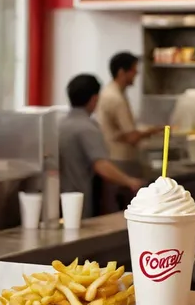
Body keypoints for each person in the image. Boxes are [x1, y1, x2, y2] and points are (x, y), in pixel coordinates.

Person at [58, 74, 144, 219]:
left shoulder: (60, 124)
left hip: (58, 198)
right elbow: (101, 165)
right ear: (94, 99)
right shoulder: (87, 128)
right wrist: (130, 182)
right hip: (79, 199)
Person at [96, 52, 162, 211]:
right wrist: (155, 130)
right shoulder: (115, 98)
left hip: (116, 157)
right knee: (126, 212)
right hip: (121, 161)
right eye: (133, 70)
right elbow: (131, 137)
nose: (136, 74)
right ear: (121, 72)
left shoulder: (111, 92)